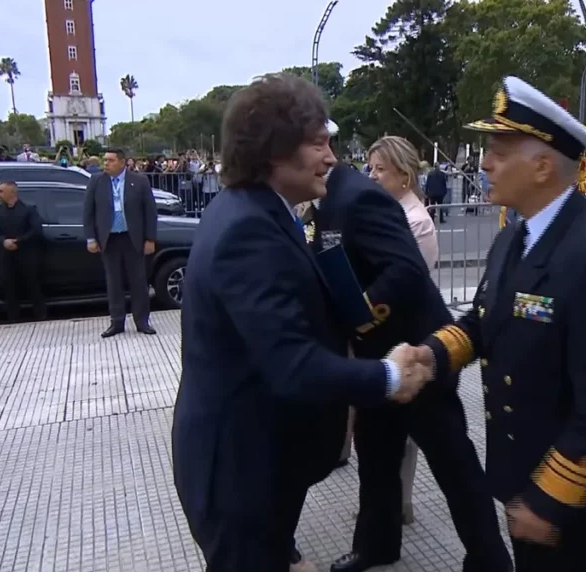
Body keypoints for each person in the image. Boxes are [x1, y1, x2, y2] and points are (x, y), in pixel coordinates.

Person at [172, 74, 434, 572]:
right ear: (274, 150)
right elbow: (291, 363)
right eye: (318, 143)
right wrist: (391, 375)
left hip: (262, 464)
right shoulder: (248, 228)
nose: (332, 157)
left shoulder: (262, 212)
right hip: (238, 475)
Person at [408, 76, 586, 572]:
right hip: (523, 472)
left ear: (543, 165)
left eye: (498, 149)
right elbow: (482, 322)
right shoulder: (515, 236)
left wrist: (551, 498)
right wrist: (429, 356)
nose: (484, 162)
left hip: (569, 495)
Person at [324, 137, 510, 572]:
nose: (371, 175)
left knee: (454, 466)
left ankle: (490, 559)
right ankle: (377, 545)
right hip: (378, 359)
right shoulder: (330, 201)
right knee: (375, 459)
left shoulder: (361, 201)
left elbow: (406, 272)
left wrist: (359, 316)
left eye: (380, 169)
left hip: (421, 354)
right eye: (369, 167)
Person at [82, 148, 158, 338]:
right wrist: (91, 238)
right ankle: (116, 322)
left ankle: (142, 321)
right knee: (113, 282)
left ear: (122, 162)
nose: (105, 163)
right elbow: (88, 212)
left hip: (133, 238)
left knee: (139, 282)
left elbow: (150, 211)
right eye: (104, 160)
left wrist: (150, 238)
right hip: (109, 239)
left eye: (110, 160)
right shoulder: (96, 181)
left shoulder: (139, 181)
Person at [0, 181, 46, 322]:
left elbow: (36, 230)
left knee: (33, 285)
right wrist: (3, 241)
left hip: (27, 254)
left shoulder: (29, 209)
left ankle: (40, 315)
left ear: (12, 192)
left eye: (1, 191)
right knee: (9, 288)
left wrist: (19, 241)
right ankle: (13, 318)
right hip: (6, 256)